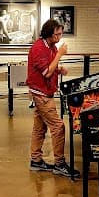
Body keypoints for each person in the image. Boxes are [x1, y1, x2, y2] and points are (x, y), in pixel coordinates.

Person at [26, 19, 79, 177]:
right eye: (57, 34)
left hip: (44, 93)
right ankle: (59, 164)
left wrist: (59, 68)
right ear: (49, 33)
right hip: (41, 95)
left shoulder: (51, 47)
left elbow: (51, 66)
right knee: (58, 127)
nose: (60, 37)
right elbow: (47, 72)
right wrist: (60, 55)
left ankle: (36, 160)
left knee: (39, 128)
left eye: (61, 34)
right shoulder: (38, 48)